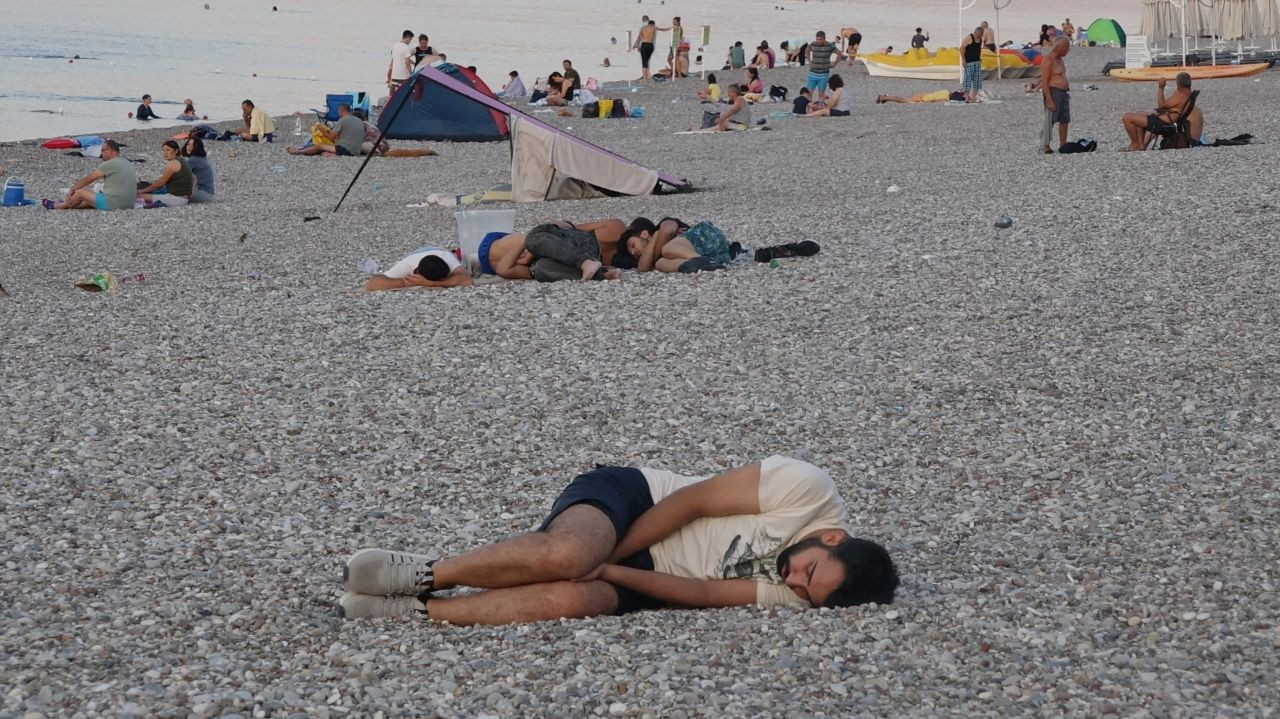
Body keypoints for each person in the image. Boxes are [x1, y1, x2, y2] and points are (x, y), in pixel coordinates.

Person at [336, 456, 899, 623]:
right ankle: (431, 572)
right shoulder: (807, 489)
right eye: (807, 571)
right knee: (568, 555)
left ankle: (421, 610)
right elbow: (692, 501)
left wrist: (610, 575)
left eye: (805, 592)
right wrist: (607, 554)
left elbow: (703, 595)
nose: (792, 581)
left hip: (652, 577)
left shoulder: (806, 593)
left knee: (573, 596)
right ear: (830, 536)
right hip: (639, 503)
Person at [476, 219, 628, 279]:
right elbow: (569, 228)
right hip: (496, 250)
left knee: (540, 266)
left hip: (498, 250)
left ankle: (590, 266)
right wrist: (529, 246)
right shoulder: (532, 261)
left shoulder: (531, 262)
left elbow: (503, 270)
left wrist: (528, 245)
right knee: (541, 266)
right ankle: (596, 271)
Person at [42, 139, 137, 211]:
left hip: (114, 204)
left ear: (110, 150)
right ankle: (69, 203)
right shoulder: (126, 162)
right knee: (88, 200)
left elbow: (90, 178)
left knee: (79, 193)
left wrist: (73, 188)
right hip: (129, 204)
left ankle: (59, 205)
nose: (101, 153)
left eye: (103, 150)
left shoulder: (110, 163)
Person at [617, 217, 733, 272]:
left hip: (707, 237)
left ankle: (702, 260)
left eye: (632, 245)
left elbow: (668, 230)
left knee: (667, 249)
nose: (633, 252)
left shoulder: (663, 223)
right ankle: (702, 266)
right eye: (630, 253)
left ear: (644, 233)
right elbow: (642, 268)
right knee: (660, 264)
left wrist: (658, 234)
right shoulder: (656, 258)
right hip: (714, 256)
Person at [1123, 72, 1200, 151]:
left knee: (1127, 118)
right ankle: (1141, 145)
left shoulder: (1180, 95)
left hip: (1162, 124)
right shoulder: (1187, 94)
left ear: (1178, 83)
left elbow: (1161, 105)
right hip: (1166, 120)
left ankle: (1135, 144)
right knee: (1139, 114)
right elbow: (1169, 107)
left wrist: (1161, 88)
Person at [363, 248, 472, 292]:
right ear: (416, 273)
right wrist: (410, 281)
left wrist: (431, 283)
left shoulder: (447, 258)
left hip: (439, 249)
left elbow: (465, 279)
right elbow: (372, 284)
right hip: (417, 252)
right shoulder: (406, 265)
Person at [287, 102, 363, 156]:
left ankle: (299, 152)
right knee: (324, 152)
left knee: (319, 146)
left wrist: (322, 131)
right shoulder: (359, 121)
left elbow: (331, 137)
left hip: (346, 149)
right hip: (357, 151)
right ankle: (332, 155)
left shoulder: (343, 120)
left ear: (341, 111)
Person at [136, 140, 196, 207]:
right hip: (184, 198)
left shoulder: (173, 164)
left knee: (139, 196)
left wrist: (142, 191)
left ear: (176, 151)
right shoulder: (182, 161)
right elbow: (194, 177)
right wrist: (190, 192)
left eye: (168, 150)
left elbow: (160, 184)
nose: (165, 153)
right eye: (164, 150)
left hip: (176, 199)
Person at [1040, 37, 1071, 154]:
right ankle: (1045, 145)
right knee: (1050, 120)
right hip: (1053, 92)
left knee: (1065, 120)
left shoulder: (1060, 59)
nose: (1068, 50)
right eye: (1066, 47)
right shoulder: (1049, 60)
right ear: (1059, 47)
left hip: (1063, 93)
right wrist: (1049, 99)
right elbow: (1044, 81)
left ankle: (1063, 144)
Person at [805, 31, 843, 101]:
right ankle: (808, 111)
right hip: (812, 73)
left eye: (820, 40)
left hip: (823, 74)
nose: (819, 41)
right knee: (808, 93)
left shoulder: (830, 45)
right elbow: (807, 51)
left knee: (821, 94)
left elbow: (840, 54)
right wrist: (809, 61)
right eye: (817, 39)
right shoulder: (813, 44)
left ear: (824, 39)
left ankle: (820, 109)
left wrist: (834, 63)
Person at [182, 137, 215, 203]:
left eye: (193, 145)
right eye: (188, 144)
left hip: (201, 194)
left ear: (198, 147)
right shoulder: (202, 158)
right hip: (208, 194)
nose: (189, 147)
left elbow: (180, 175)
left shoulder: (193, 160)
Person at [960, 26, 984, 103]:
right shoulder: (969, 37)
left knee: (977, 81)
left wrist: (979, 58)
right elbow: (961, 48)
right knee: (968, 80)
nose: (978, 36)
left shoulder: (980, 39)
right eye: (977, 34)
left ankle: (973, 97)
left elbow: (977, 49)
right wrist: (963, 60)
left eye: (980, 35)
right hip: (969, 62)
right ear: (975, 32)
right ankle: (967, 97)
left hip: (977, 62)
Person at [875, 89, 955, 104]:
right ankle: (883, 97)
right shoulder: (945, 99)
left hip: (922, 95)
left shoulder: (946, 91)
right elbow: (933, 101)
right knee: (901, 100)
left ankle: (886, 98)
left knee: (901, 99)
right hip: (921, 99)